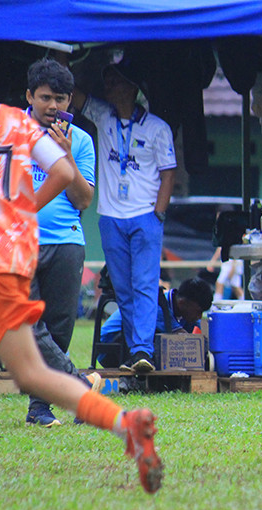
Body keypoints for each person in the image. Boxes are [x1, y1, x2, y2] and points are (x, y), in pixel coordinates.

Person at [0, 15, 163, 510]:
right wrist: (20, 207)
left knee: (28, 372)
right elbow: (66, 171)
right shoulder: (17, 120)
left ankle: (126, 424)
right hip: (16, 251)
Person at [71, 57, 176, 374]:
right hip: (110, 218)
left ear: (133, 88)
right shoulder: (103, 117)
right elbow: (73, 96)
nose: (109, 86)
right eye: (108, 81)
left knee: (144, 285)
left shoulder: (158, 128)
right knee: (123, 287)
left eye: (116, 80)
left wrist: (158, 213)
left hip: (145, 216)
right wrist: (66, 57)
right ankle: (136, 350)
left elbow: (168, 174)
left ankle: (142, 348)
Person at [23, 57, 97, 426]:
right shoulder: (11, 134)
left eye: (62, 99)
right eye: (46, 97)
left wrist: (65, 154)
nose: (54, 106)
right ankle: (79, 387)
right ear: (30, 96)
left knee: (60, 326)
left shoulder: (81, 140)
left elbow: (83, 201)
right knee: (28, 322)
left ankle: (41, 407)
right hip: (18, 240)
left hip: (67, 241)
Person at [97, 276, 213, 367]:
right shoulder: (158, 305)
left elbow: (203, 336)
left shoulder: (183, 311)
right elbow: (185, 339)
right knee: (173, 342)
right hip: (110, 347)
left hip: (126, 344)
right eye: (198, 311)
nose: (199, 317)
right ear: (182, 303)